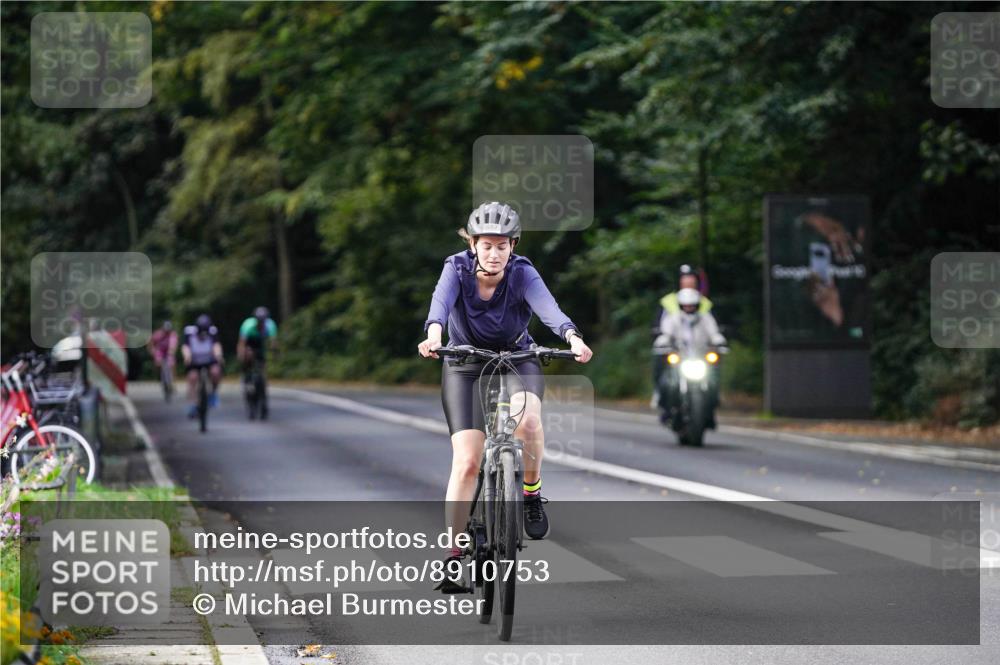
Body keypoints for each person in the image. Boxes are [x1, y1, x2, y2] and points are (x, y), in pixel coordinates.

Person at [417, 201, 593, 591]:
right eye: (486, 245)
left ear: (513, 246)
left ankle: (530, 494)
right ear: (473, 244)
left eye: (502, 245)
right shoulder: (456, 268)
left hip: (519, 356)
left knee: (528, 421)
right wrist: (434, 334)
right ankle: (452, 555)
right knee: (466, 463)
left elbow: (547, 306)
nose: (494, 253)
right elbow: (440, 304)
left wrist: (571, 335)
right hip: (464, 360)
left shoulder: (522, 271)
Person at [654, 288, 727, 425]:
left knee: (713, 383)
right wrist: (663, 341)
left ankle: (710, 412)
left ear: (697, 305)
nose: (689, 308)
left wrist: (718, 340)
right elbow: (666, 334)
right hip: (680, 360)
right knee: (668, 383)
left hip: (700, 359)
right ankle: (667, 410)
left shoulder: (705, 318)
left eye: (692, 305)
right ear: (681, 305)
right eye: (686, 305)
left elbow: (714, 333)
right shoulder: (674, 319)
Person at [237, 306, 278, 419]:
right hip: (249, 343)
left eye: (263, 321)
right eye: (259, 321)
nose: (261, 324)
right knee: (248, 354)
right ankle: (247, 376)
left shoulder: (270, 325)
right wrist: (241, 356)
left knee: (262, 370)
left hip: (260, 345)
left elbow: (273, 343)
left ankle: (263, 390)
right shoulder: (248, 325)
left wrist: (274, 354)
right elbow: (241, 343)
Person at [181, 314, 223, 418]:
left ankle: (213, 394)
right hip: (194, 360)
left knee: (216, 372)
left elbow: (216, 345)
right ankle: (193, 404)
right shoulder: (189, 332)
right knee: (192, 378)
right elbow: (185, 346)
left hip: (209, 359)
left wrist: (218, 355)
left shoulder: (212, 332)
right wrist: (187, 356)